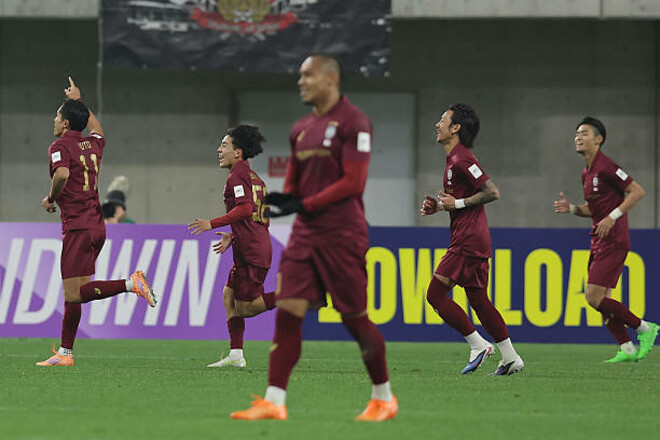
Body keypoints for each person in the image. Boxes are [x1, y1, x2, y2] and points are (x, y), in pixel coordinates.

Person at [230, 54, 397, 422]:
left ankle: (383, 397)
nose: (300, 82)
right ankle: (274, 400)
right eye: (300, 75)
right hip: (305, 237)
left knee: (354, 319)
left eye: (308, 75)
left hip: (342, 235)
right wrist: (285, 198)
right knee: (288, 313)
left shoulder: (355, 122)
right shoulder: (301, 128)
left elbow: (353, 183)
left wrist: (304, 203)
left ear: (330, 79)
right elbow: (295, 182)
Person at [37, 77, 156, 367]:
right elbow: (98, 129)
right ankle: (65, 353)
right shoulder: (93, 144)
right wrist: (78, 101)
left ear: (65, 123)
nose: (54, 120)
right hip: (96, 226)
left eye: (57, 116)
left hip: (77, 227)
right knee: (76, 292)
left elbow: (62, 174)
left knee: (74, 293)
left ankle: (130, 283)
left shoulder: (59, 146)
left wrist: (51, 198)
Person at [420, 104, 524, 375]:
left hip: (468, 240)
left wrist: (456, 203)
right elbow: (463, 200)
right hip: (473, 238)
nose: (437, 125)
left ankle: (478, 345)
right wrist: (441, 207)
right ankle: (510, 357)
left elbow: (492, 192)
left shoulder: (462, 159)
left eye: (442, 120)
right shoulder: (454, 160)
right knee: (478, 300)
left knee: (435, 294)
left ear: (455, 128)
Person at [553, 117, 658, 362]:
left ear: (598, 139)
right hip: (599, 239)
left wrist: (613, 217)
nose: (578, 137)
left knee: (593, 296)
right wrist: (571, 209)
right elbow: (593, 210)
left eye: (584, 133)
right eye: (577, 133)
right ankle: (627, 348)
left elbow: (637, 191)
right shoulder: (586, 173)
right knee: (603, 299)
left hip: (614, 240)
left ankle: (645, 328)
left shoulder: (607, 167)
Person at [188, 125, 276, 368]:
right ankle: (236, 354)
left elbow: (245, 209)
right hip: (250, 245)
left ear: (238, 152)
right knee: (229, 296)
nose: (219, 150)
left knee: (247, 308)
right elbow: (255, 218)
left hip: (252, 251)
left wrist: (211, 223)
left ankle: (298, 293)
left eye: (224, 145)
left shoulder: (237, 176)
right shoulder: (254, 177)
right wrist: (234, 235)